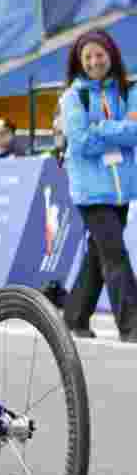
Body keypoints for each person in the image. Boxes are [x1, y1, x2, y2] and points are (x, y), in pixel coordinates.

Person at [59, 28, 137, 343]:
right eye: (87, 57)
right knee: (115, 254)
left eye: (99, 55)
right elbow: (80, 142)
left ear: (111, 55)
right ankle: (131, 324)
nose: (94, 62)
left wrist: (100, 128)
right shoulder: (73, 97)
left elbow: (135, 132)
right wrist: (119, 130)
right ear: (79, 62)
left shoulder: (128, 90)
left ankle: (74, 316)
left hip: (121, 190)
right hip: (90, 192)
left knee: (99, 253)